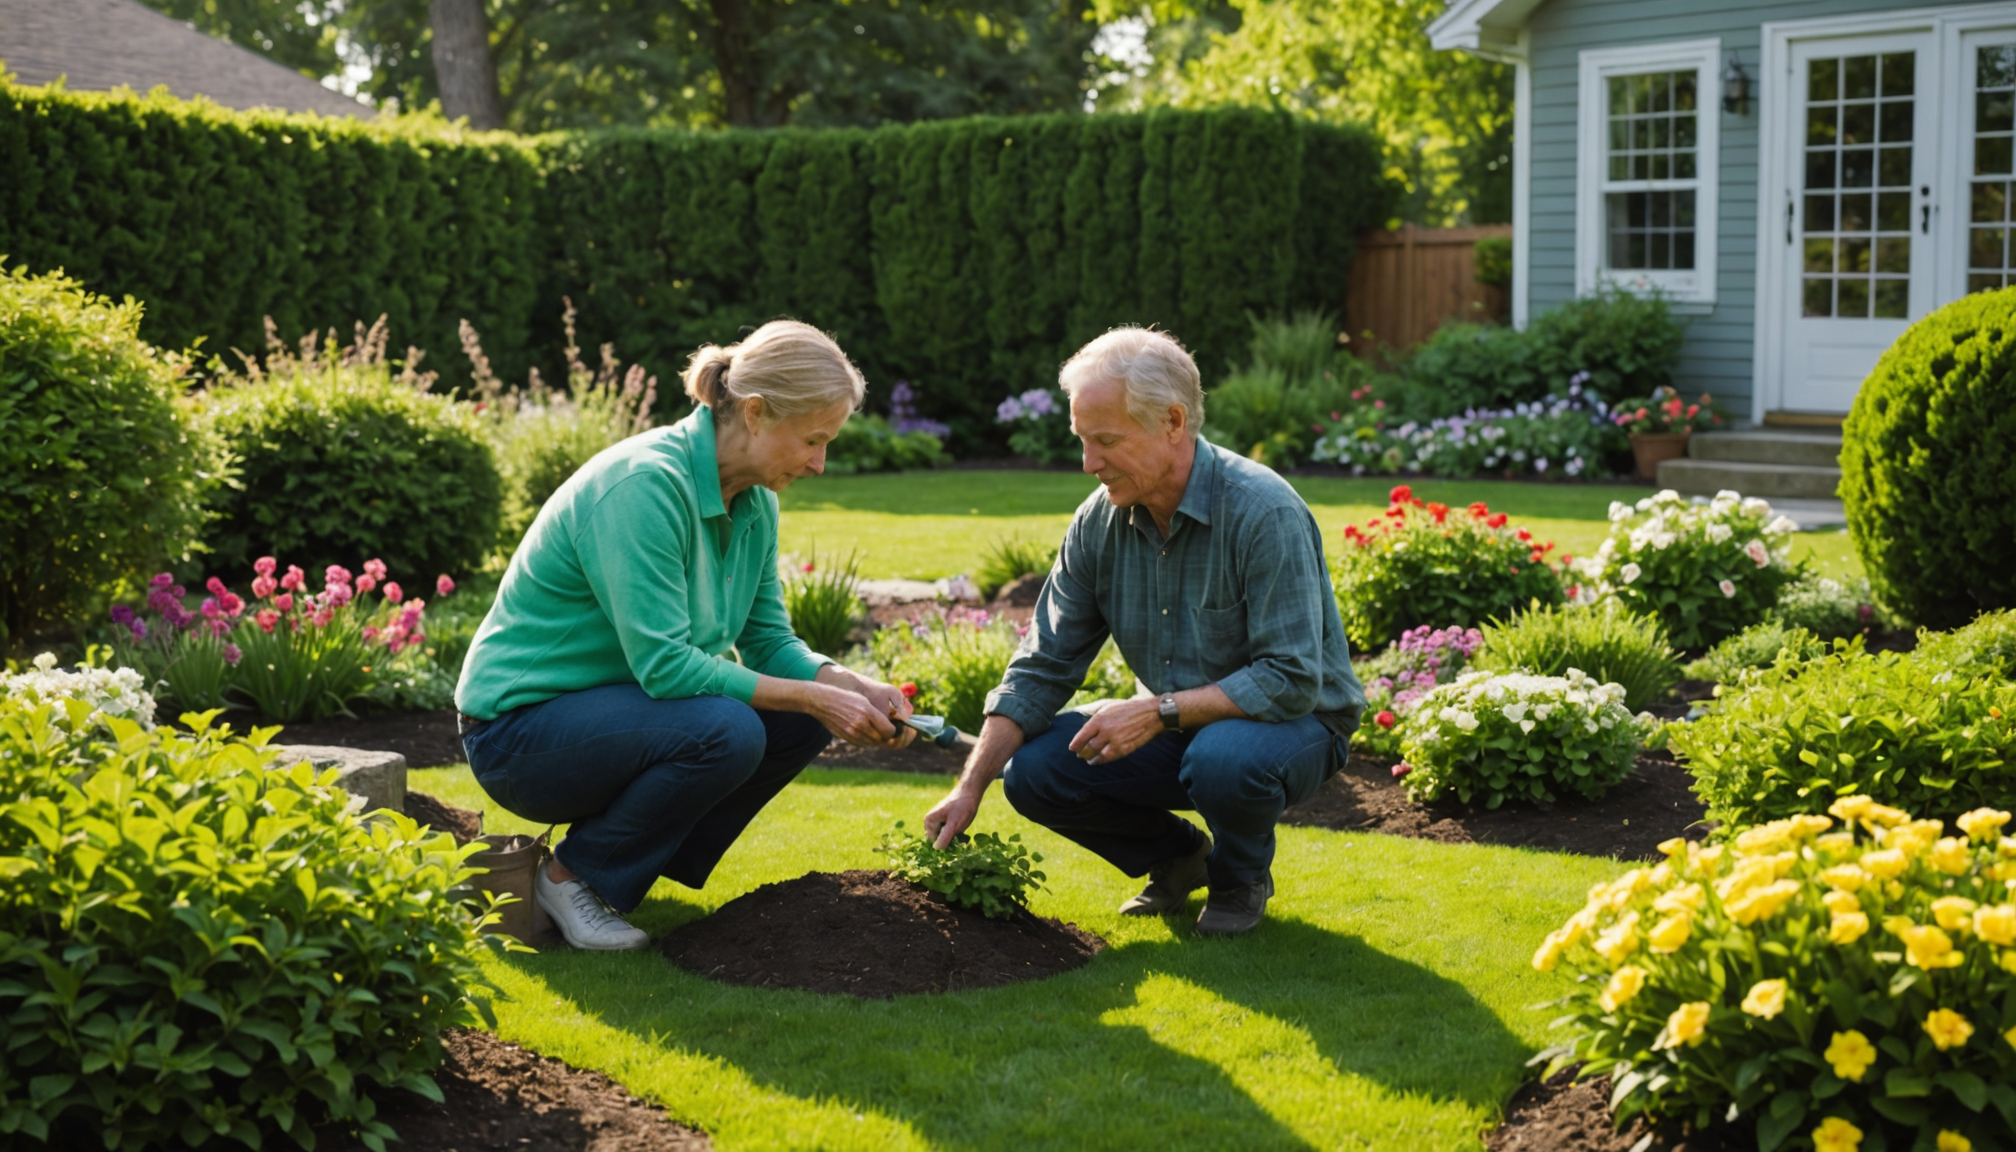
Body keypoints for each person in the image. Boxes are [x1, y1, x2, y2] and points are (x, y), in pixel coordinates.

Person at [456, 320, 915, 951]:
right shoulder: (645, 486)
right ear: (754, 412)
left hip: (619, 715)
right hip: (518, 735)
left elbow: (768, 641)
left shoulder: (756, 502)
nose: (820, 462)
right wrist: (810, 695)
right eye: (812, 440)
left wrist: (842, 683)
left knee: (802, 716)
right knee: (729, 729)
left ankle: (617, 866)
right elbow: (667, 667)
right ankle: (571, 876)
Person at [922, 327, 1363, 936]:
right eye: (1082, 440)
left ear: (1173, 423)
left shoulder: (1264, 512)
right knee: (1033, 772)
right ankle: (1180, 859)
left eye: (1106, 441)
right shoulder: (1098, 521)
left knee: (1223, 759)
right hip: (1179, 720)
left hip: (1296, 726)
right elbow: (1042, 665)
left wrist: (1157, 711)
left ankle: (1240, 878)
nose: (1088, 463)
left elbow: (1289, 680)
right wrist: (970, 787)